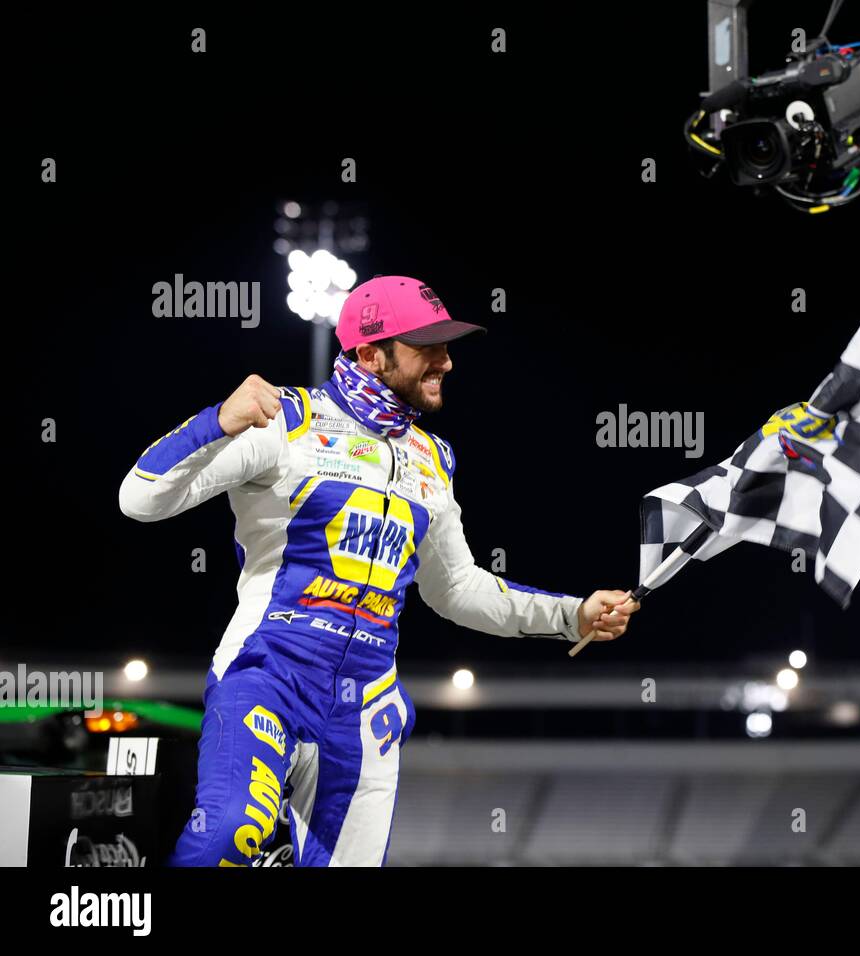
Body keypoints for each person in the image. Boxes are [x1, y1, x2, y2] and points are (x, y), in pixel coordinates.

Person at [119, 275, 640, 866]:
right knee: (225, 838)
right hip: (268, 676)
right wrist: (215, 420)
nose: (446, 361)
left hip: (365, 708)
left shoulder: (433, 459)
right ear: (370, 352)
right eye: (428, 346)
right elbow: (139, 500)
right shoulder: (285, 420)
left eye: (447, 345)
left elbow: (459, 589)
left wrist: (572, 615)